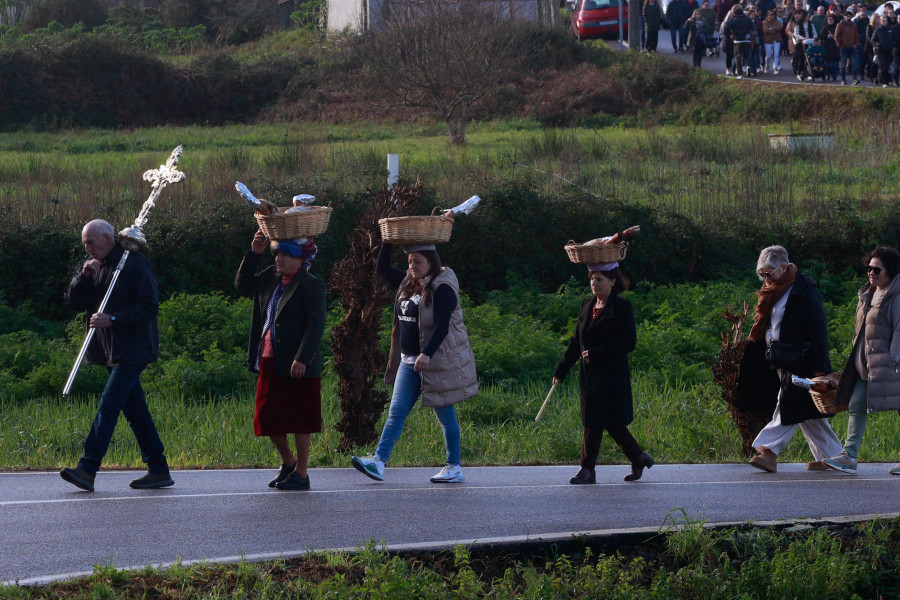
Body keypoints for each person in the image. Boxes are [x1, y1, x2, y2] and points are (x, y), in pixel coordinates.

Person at [60, 219, 173, 492]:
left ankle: (87, 469)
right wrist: (82, 277)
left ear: (108, 237)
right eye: (84, 243)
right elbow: (74, 303)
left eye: (91, 242)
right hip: (110, 350)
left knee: (109, 405)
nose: (87, 249)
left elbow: (149, 307)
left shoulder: (134, 263)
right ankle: (158, 469)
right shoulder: (94, 266)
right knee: (136, 412)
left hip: (134, 347)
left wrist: (113, 318)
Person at [351, 242, 477, 483]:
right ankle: (378, 462)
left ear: (431, 262)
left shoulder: (443, 288)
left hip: (434, 362)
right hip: (408, 362)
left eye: (417, 261)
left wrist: (427, 353)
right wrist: (388, 241)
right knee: (396, 413)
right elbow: (382, 268)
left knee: (445, 415)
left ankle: (453, 467)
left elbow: (442, 326)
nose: (412, 266)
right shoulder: (407, 283)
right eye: (409, 262)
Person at [739, 245, 843, 473]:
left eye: (769, 273)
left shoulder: (804, 289)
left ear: (784, 267)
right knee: (808, 413)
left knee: (788, 403)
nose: (766, 278)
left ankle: (769, 452)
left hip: (802, 360)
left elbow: (819, 330)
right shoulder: (772, 289)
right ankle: (835, 458)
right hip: (780, 358)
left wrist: (820, 367)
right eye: (762, 274)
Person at [235, 231, 326, 491]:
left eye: (286, 254)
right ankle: (289, 462)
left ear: (300, 259)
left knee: (300, 417)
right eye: (277, 253)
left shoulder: (310, 284)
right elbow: (242, 285)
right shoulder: (268, 278)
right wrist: (254, 253)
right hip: (269, 356)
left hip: (298, 362)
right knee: (267, 416)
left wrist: (302, 358)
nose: (279, 259)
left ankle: (302, 473)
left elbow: (316, 324)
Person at [552, 261, 654, 484]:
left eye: (599, 279)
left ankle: (587, 469)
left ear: (612, 281)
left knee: (597, 421)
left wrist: (598, 353)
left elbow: (629, 342)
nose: (593, 283)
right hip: (589, 376)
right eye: (591, 279)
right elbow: (575, 341)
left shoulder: (621, 308)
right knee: (607, 422)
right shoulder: (587, 304)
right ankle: (638, 457)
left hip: (612, 375)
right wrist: (562, 369)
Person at [822, 246, 900, 476]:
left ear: (890, 272)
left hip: (890, 365)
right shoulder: (868, 293)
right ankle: (849, 456)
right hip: (866, 365)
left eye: (877, 269)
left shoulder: (896, 298)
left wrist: (894, 361)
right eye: (869, 268)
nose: (871, 273)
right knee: (856, 405)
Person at [725, 5, 755, 77]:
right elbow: (752, 27)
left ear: (734, 13)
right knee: (746, 55)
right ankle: (748, 66)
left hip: (737, 40)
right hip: (746, 39)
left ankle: (739, 73)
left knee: (738, 57)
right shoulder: (748, 19)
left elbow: (726, 28)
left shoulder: (732, 20)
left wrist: (731, 35)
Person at [787, 9, 816, 81]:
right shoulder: (798, 25)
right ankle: (799, 72)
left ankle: (810, 73)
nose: (808, 17)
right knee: (801, 59)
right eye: (807, 16)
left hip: (810, 42)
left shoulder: (811, 24)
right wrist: (803, 38)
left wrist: (814, 37)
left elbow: (814, 32)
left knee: (810, 59)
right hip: (801, 43)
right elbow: (796, 34)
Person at [835, 10, 860, 84]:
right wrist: (840, 45)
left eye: (850, 16)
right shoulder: (840, 25)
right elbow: (836, 36)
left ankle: (854, 79)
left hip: (852, 47)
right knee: (843, 65)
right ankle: (843, 80)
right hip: (844, 47)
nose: (848, 17)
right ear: (844, 16)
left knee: (854, 64)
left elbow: (856, 36)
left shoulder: (854, 25)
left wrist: (855, 44)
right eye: (847, 16)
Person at [871, 14, 895, 87]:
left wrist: (892, 44)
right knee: (883, 67)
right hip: (881, 51)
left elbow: (894, 39)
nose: (885, 22)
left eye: (886, 21)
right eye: (883, 21)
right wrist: (878, 44)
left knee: (888, 67)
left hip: (890, 51)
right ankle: (884, 82)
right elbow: (873, 40)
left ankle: (887, 80)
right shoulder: (878, 30)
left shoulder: (890, 29)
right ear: (880, 21)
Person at [817, 14, 841, 80]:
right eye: (828, 19)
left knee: (835, 63)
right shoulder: (825, 27)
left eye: (831, 19)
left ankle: (834, 76)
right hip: (827, 46)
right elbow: (821, 35)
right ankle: (827, 74)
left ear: (834, 20)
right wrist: (827, 36)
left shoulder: (837, 26)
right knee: (827, 63)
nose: (829, 21)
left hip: (835, 46)